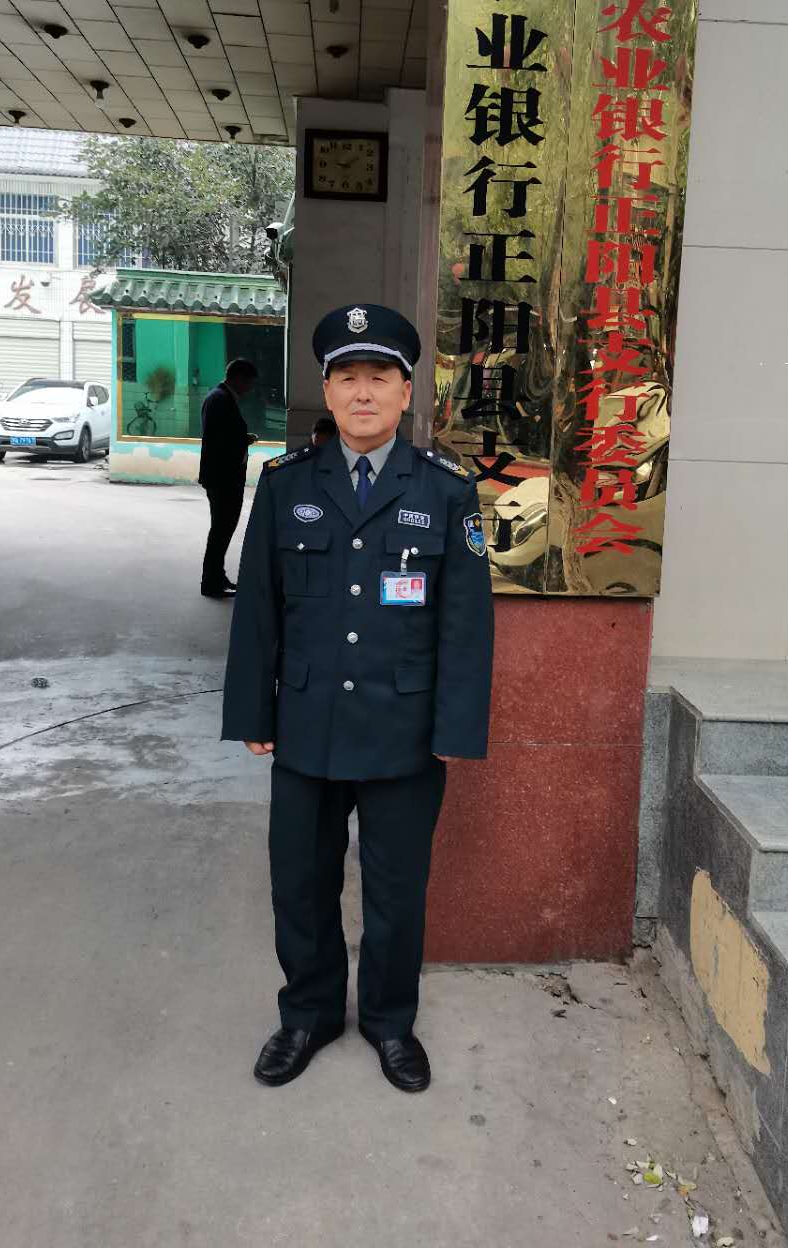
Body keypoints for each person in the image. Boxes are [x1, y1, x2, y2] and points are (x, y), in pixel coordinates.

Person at [222, 303, 494, 1093]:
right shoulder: (286, 485)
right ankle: (307, 1015)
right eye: (348, 378)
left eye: (380, 377)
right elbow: (259, 606)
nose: (363, 392)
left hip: (404, 731)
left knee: (396, 892)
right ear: (328, 391)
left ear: (407, 393)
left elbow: (466, 623)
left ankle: (389, 1021)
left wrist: (454, 728)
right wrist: (254, 711)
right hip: (306, 724)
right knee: (300, 885)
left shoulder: (444, 491)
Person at [199, 358, 258, 599]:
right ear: (239, 378)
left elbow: (222, 435)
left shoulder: (219, 397)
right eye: (249, 383)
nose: (250, 389)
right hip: (223, 478)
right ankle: (211, 582)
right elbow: (220, 441)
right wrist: (241, 440)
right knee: (221, 531)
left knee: (221, 530)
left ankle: (217, 576)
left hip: (222, 477)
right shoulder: (220, 399)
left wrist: (242, 439)